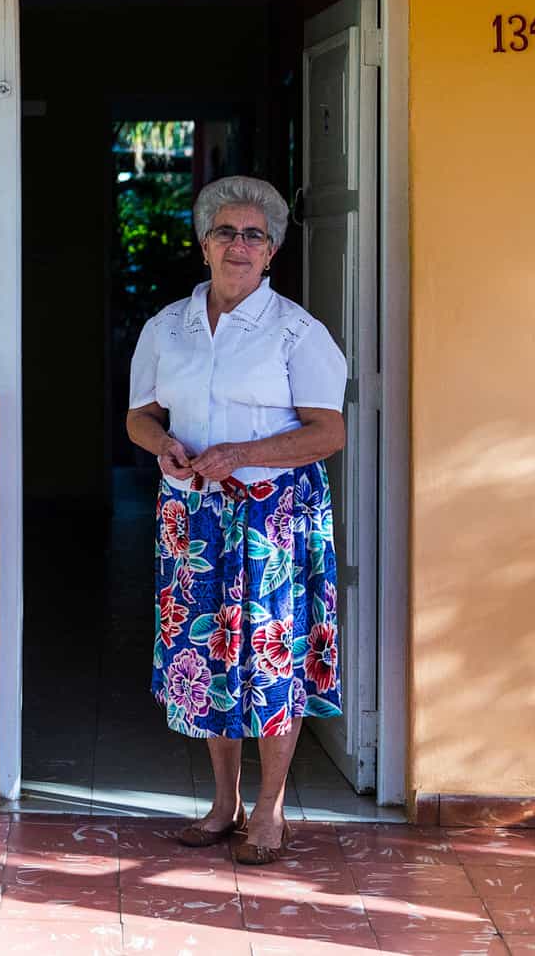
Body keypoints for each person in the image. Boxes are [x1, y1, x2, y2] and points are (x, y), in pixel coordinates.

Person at [125, 175, 347, 865]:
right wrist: (165, 445)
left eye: (254, 235)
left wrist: (243, 454)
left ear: (273, 250)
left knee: (269, 660)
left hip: (273, 519)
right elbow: (139, 416)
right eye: (226, 232)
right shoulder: (167, 327)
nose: (239, 246)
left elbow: (327, 432)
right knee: (211, 661)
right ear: (204, 244)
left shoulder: (296, 333)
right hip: (193, 518)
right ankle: (226, 804)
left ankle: (271, 812)